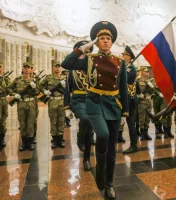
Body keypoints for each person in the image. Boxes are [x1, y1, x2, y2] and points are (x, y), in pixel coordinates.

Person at [62, 21, 128, 199]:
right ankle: (99, 171)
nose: (105, 41)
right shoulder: (89, 60)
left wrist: (125, 113)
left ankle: (109, 184)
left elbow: (123, 88)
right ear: (96, 42)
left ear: (112, 42)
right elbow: (66, 64)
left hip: (114, 104)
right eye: (101, 39)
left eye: (108, 39)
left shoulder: (120, 62)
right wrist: (83, 48)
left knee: (112, 150)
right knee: (103, 135)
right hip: (94, 102)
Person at [63, 40, 94, 170]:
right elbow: (67, 89)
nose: (84, 55)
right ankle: (79, 137)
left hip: (92, 101)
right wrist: (67, 107)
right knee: (86, 119)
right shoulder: (72, 70)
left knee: (90, 132)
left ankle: (86, 159)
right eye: (82, 52)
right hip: (78, 100)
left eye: (87, 52)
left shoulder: (93, 67)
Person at [7, 62, 40, 151]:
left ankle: (29, 143)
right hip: (21, 104)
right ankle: (24, 143)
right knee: (22, 124)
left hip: (32, 104)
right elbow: (9, 88)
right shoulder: (17, 80)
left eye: (28, 68)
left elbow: (37, 92)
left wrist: (34, 87)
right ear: (22, 69)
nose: (26, 69)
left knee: (30, 124)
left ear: (31, 70)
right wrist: (14, 94)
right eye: (25, 67)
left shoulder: (34, 81)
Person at [40, 61, 66, 148]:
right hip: (52, 101)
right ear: (52, 68)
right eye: (56, 67)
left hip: (62, 102)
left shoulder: (64, 78)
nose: (58, 68)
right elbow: (40, 85)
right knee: (53, 121)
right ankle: (54, 140)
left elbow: (69, 90)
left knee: (61, 121)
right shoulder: (48, 78)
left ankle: (60, 139)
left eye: (59, 67)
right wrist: (44, 91)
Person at [122, 45, 141, 154]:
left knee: (130, 122)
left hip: (129, 99)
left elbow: (123, 80)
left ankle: (133, 145)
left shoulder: (131, 68)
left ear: (129, 56)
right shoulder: (125, 67)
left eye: (124, 54)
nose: (122, 56)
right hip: (126, 98)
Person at [0, 61, 11, 147]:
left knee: (2, 121)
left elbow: (8, 90)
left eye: (0, 66)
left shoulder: (6, 79)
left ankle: (2, 139)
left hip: (2, 101)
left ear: (3, 68)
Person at [137, 67, 154, 141]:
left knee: (147, 119)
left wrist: (151, 89)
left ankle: (146, 133)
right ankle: (142, 134)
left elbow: (153, 91)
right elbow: (140, 91)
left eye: (148, 72)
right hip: (142, 102)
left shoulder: (150, 81)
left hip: (149, 102)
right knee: (142, 119)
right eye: (146, 71)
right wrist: (147, 86)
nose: (147, 73)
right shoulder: (138, 81)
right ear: (142, 72)